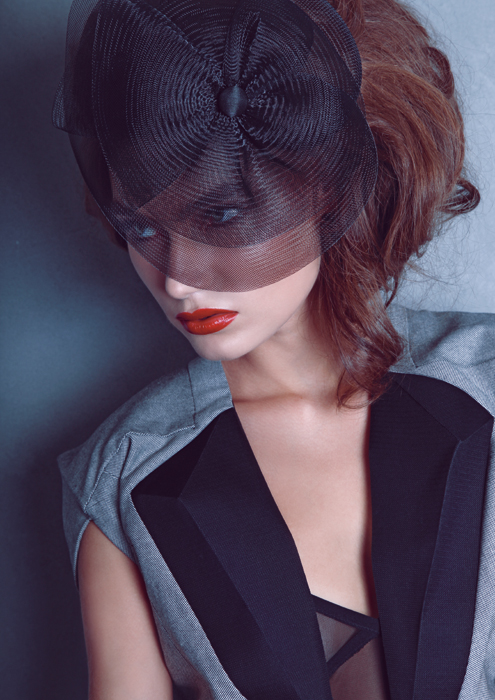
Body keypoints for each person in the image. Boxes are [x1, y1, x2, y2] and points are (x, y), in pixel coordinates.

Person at [54, 0, 495, 698]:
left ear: (330, 192)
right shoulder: (125, 471)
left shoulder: (483, 379)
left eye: (221, 214)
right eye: (143, 229)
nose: (177, 277)